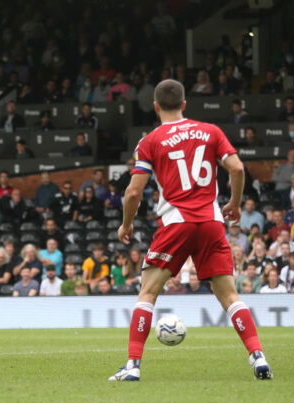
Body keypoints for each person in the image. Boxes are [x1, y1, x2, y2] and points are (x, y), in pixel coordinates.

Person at [109, 79, 271, 382]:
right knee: (230, 296)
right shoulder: (211, 132)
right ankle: (258, 357)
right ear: (184, 104)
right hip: (211, 223)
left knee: (147, 293)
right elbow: (237, 168)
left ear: (156, 106)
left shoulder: (150, 141)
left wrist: (126, 223)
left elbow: (133, 193)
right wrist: (234, 204)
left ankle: (132, 366)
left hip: (176, 223)